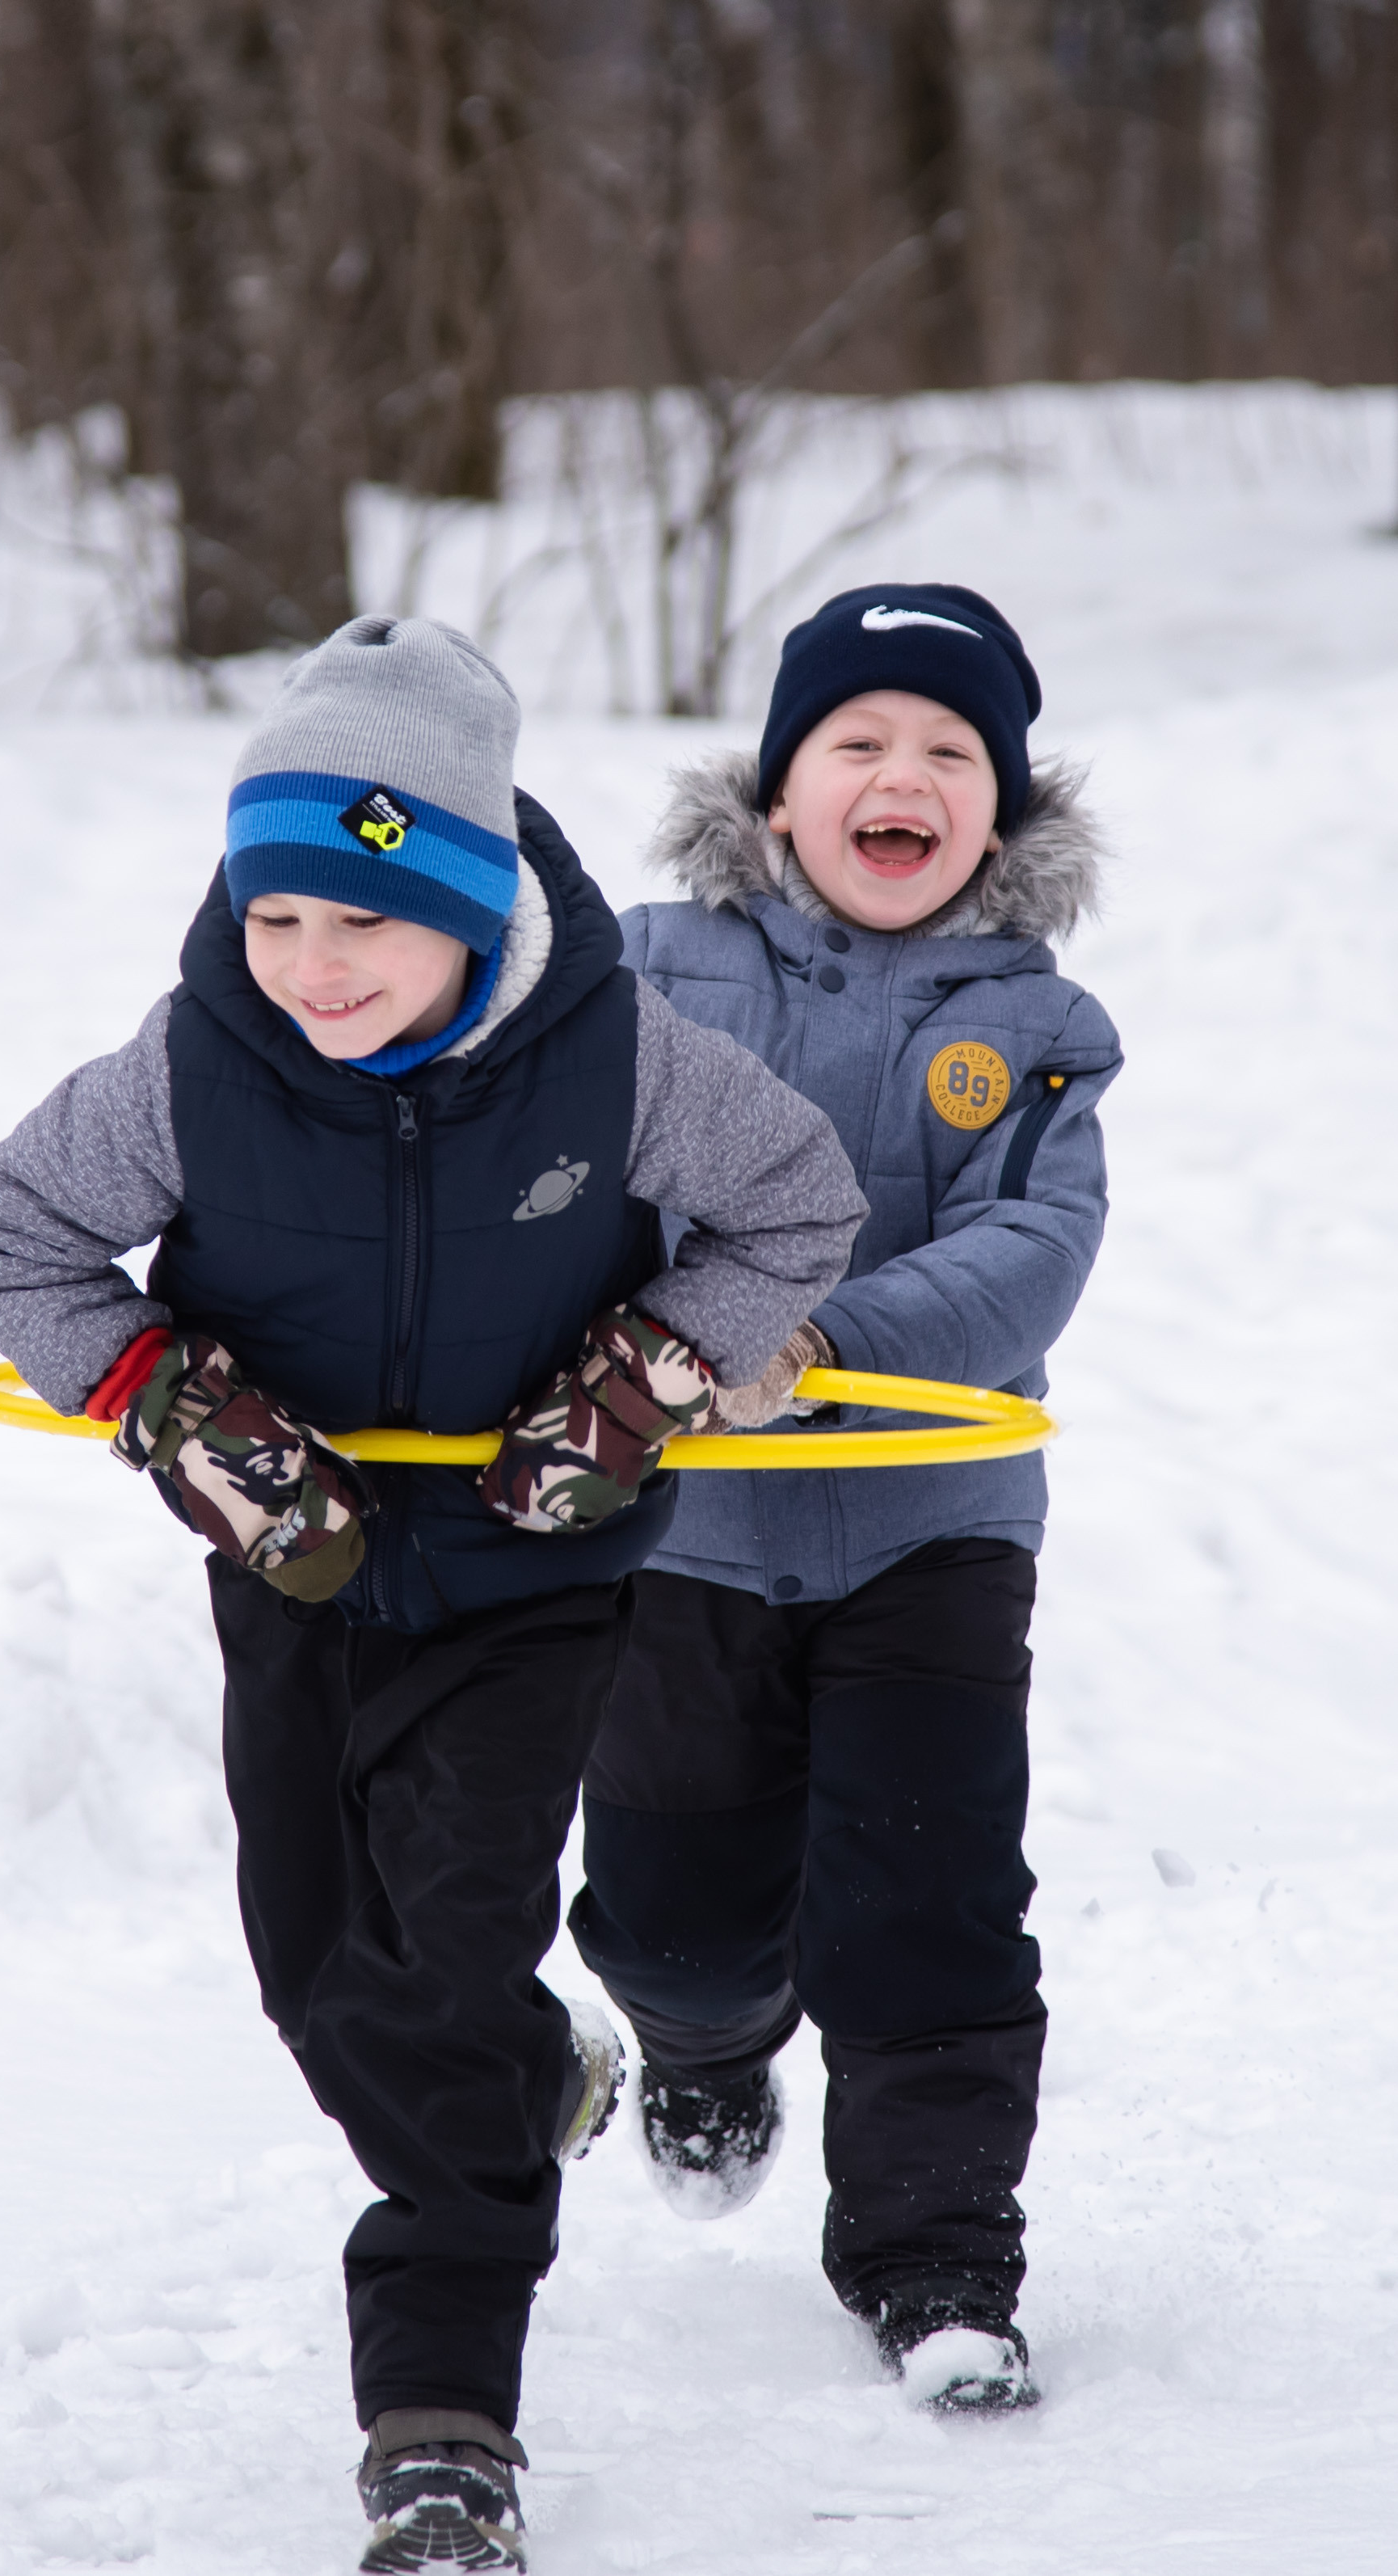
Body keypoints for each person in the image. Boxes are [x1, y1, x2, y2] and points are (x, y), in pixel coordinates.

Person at [0, 614, 866, 2571]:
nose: (314, 966)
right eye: (276, 916)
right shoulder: (193, 1068)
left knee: (438, 1954)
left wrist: (647, 1376)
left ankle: (442, 2418)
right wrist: (175, 1403)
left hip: (533, 1577)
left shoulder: (620, 1061)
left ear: (472, 904)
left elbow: (798, 1205)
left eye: (362, 920)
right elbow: (5, 1238)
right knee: (316, 1961)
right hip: (302, 1574)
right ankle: (536, 2077)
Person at [568, 583, 1122, 2415]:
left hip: (929, 1521)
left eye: (952, 752)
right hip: (690, 1524)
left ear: (1003, 809)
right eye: (858, 742)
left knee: (928, 1898)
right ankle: (704, 2034)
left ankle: (938, 2257)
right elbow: (555, 1180)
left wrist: (810, 1334)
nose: (905, 775)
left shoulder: (1033, 1023)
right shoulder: (643, 969)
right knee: (668, 1902)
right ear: (781, 789)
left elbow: (1034, 1246)